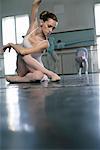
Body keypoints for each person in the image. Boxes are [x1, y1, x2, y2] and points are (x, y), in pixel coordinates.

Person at [0, 0, 61, 83]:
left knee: (38, 75)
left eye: (53, 28)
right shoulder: (33, 27)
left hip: (35, 69)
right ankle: (50, 74)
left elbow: (22, 50)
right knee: (24, 55)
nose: (50, 30)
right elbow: (35, 4)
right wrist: (12, 45)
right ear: (42, 22)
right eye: (49, 26)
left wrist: (11, 44)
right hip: (22, 67)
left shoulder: (45, 43)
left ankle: (18, 79)